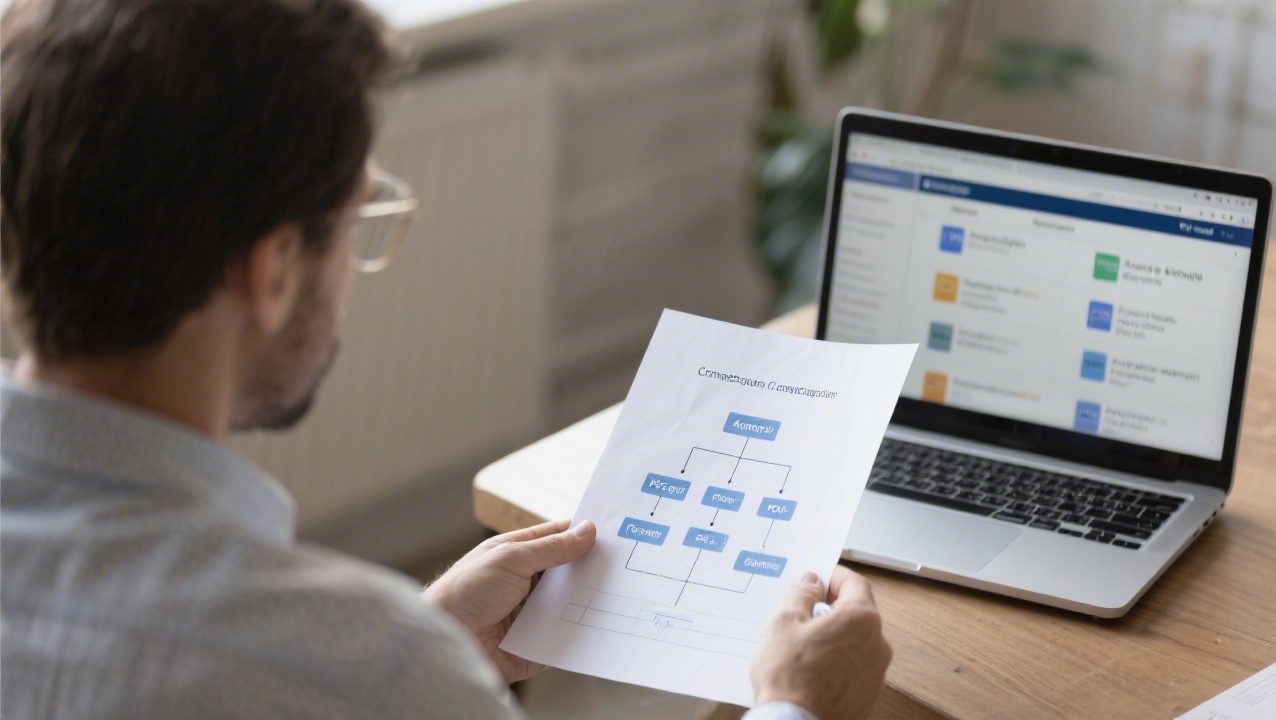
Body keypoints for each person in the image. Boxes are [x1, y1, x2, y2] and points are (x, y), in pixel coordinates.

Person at [0, 0, 893, 718]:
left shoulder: (369, 665)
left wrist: (424, 641)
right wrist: (794, 707)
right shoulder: (368, 668)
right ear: (271, 272)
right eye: (358, 225)